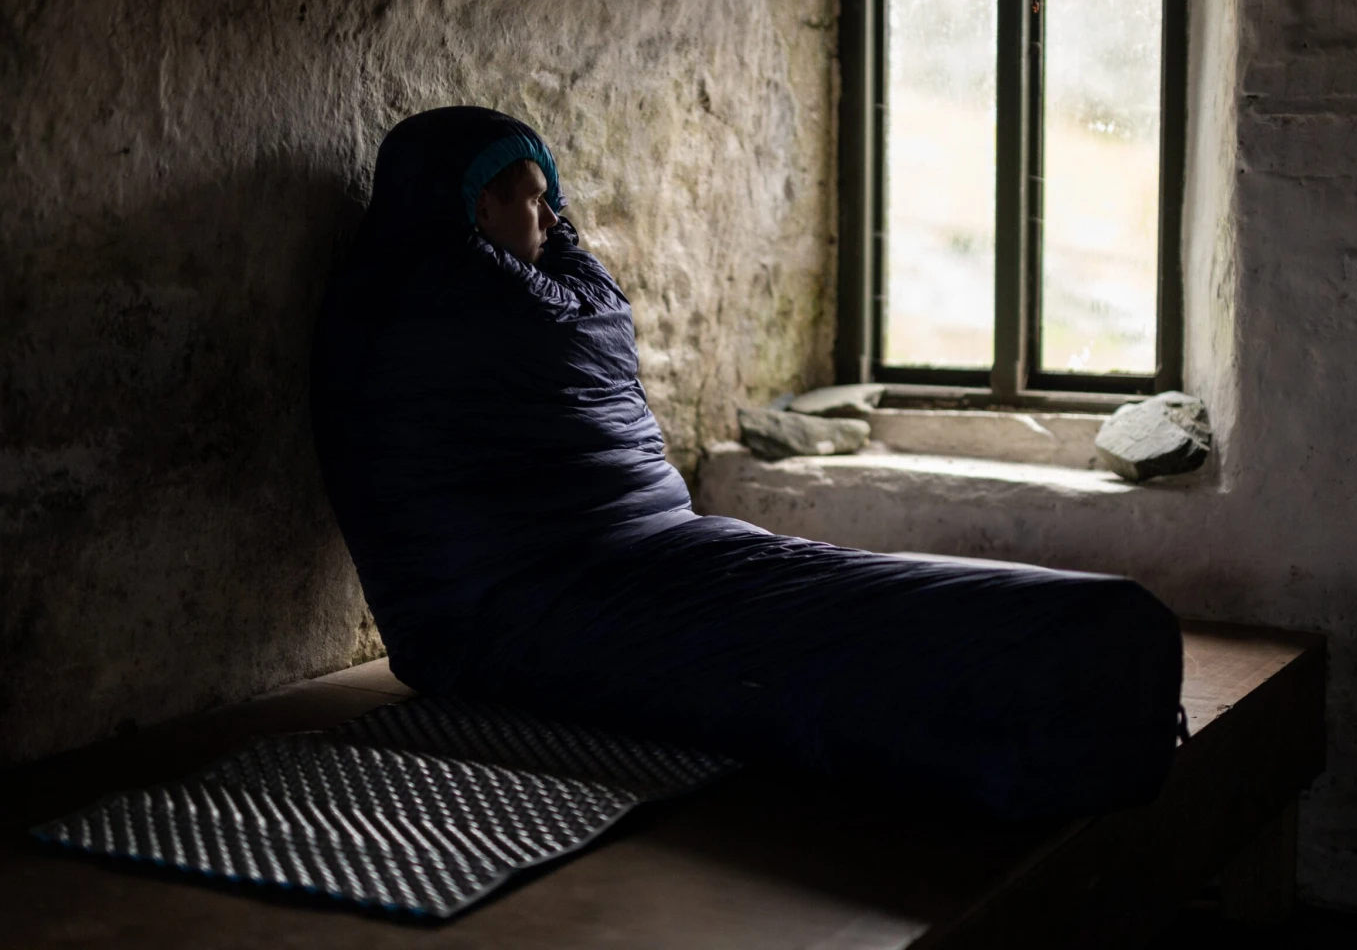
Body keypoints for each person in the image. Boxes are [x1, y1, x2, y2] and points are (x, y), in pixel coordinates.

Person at [311, 106, 1184, 820]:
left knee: (840, 599)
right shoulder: (408, 317)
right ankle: (1064, 682)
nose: (550, 223)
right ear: (474, 211)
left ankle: (1078, 660)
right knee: (825, 651)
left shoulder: (511, 303)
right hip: (510, 615)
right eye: (533, 203)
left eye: (551, 205)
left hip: (652, 548)